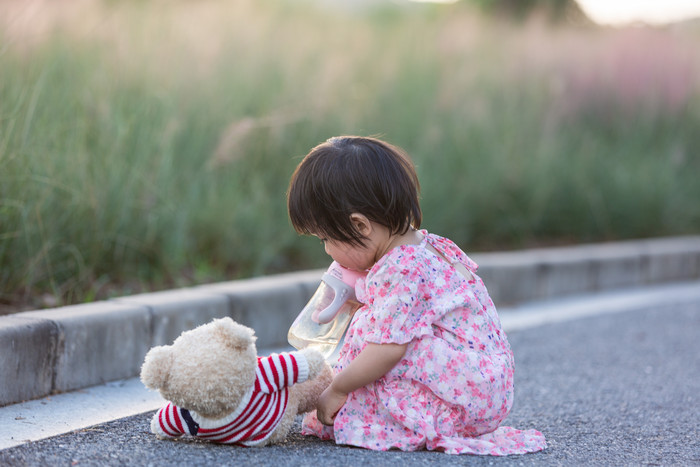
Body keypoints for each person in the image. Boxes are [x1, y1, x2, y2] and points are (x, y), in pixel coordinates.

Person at [286, 136, 546, 455]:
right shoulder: (430, 246)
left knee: (381, 342)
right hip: (486, 387)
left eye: (325, 238)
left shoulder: (398, 270)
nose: (326, 249)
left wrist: (338, 389)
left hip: (463, 398)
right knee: (384, 328)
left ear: (360, 226)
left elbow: (388, 350)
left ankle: (370, 413)